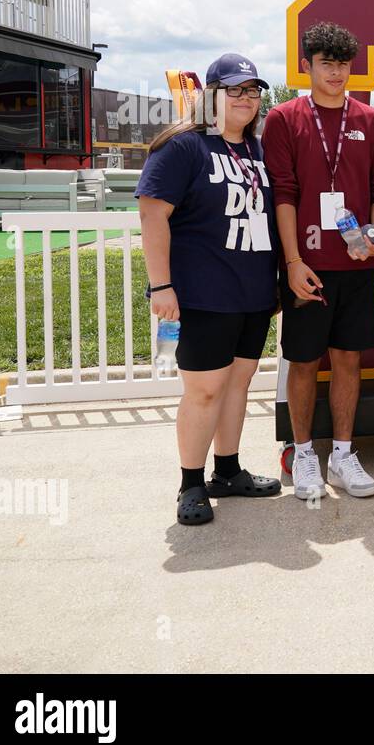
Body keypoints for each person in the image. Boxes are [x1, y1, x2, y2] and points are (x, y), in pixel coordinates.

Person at [137, 53, 280, 526]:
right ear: (211, 96)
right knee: (203, 391)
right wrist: (161, 285)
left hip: (253, 293)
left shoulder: (255, 150)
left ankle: (228, 471)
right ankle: (191, 483)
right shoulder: (184, 146)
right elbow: (153, 215)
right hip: (204, 293)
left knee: (238, 384)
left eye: (253, 90)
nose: (246, 99)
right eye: (235, 90)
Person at [262, 22, 374, 502]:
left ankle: (343, 453)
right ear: (307, 66)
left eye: (342, 64)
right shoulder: (283, 118)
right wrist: (293, 262)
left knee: (348, 361)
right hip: (308, 267)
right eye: (325, 63)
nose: (335, 73)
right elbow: (285, 194)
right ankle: (302, 452)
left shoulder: (373, 122)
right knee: (301, 362)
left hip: (358, 265)